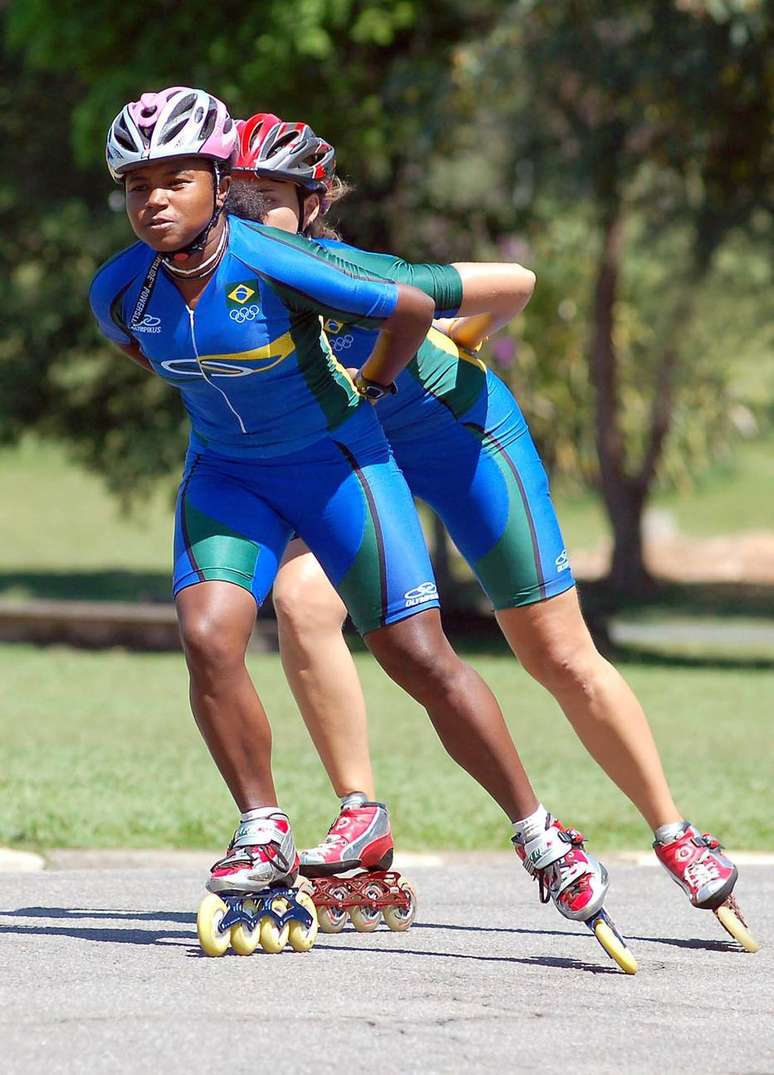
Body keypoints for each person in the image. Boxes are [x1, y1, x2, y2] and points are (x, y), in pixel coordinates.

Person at [89, 88, 626, 957]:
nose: (152, 200)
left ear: (218, 182)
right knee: (209, 634)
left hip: (337, 465)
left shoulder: (277, 259)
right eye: (136, 185)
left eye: (174, 180)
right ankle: (262, 827)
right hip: (226, 476)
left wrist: (373, 384)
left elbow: (409, 307)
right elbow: (150, 352)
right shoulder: (120, 288)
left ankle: (540, 832)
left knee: (419, 657)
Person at [225, 111, 756, 953]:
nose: (246, 210)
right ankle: (361, 811)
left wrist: (451, 344)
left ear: (314, 203)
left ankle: (674, 830)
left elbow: (516, 281)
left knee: (557, 655)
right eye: (235, 195)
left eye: (267, 197)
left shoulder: (361, 272)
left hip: (465, 441)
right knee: (299, 599)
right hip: (365, 464)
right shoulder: (232, 290)